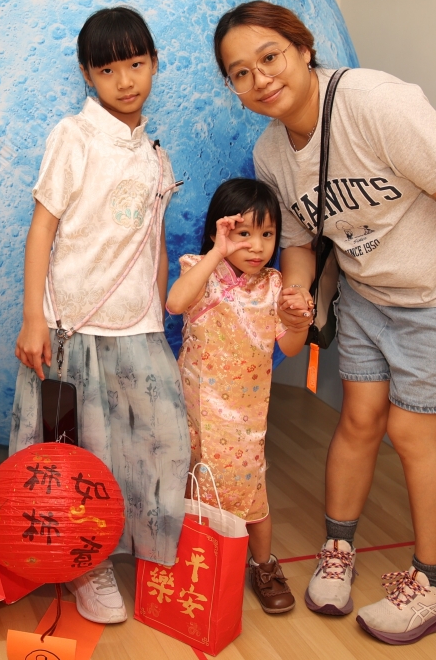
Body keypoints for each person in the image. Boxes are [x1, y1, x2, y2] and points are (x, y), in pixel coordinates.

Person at [212, 1, 436, 645]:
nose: (260, 79)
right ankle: (338, 551)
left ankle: (434, 585)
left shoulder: (376, 103)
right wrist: (297, 296)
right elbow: (299, 240)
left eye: (270, 57)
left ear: (304, 49)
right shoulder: (270, 150)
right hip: (366, 293)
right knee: (358, 421)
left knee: (412, 434)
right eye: (240, 73)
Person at [11, 6, 189, 624]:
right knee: (80, 458)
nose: (125, 80)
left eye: (136, 64)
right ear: (87, 75)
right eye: (107, 69)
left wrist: (158, 317)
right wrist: (34, 318)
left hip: (138, 328)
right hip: (72, 329)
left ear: (155, 63)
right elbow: (42, 230)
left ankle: (144, 556)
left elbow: (155, 243)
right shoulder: (74, 135)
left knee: (158, 446)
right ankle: (88, 567)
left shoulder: (156, 154)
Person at [165, 178, 310, 615]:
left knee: (251, 494)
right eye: (243, 233)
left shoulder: (274, 286)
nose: (257, 246)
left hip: (245, 420)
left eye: (267, 234)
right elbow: (175, 303)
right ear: (219, 230)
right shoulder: (200, 270)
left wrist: (298, 321)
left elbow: (289, 348)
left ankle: (262, 565)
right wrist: (216, 253)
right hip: (194, 411)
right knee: (190, 485)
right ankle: (191, 560)